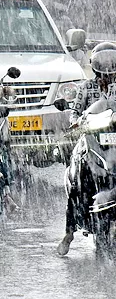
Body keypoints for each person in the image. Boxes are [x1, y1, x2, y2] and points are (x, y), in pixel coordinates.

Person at [57, 43, 116, 256]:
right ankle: (69, 232)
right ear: (95, 70)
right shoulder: (85, 88)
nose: (106, 79)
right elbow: (75, 113)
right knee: (76, 180)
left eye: (110, 75)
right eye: (102, 75)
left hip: (114, 141)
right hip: (91, 141)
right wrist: (75, 123)